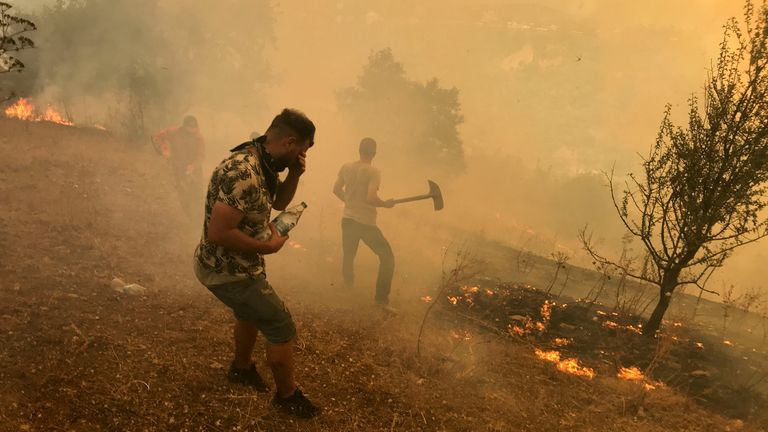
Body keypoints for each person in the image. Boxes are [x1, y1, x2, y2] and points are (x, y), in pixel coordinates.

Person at [193, 108, 320, 418]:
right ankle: (287, 397)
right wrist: (267, 247)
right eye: (301, 151)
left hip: (240, 266)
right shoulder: (243, 171)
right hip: (226, 270)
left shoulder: (265, 163)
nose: (302, 157)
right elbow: (219, 232)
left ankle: (241, 369)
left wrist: (295, 174)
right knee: (280, 325)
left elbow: (278, 203)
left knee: (248, 313)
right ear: (290, 143)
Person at [333, 137, 396, 310]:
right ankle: (381, 300)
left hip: (348, 219)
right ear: (374, 153)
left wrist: (350, 202)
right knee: (387, 257)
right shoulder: (373, 171)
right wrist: (385, 204)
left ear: (359, 150)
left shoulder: (346, 167)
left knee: (349, 254)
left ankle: (347, 287)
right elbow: (370, 197)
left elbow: (336, 189)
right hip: (365, 223)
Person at [152, 115, 206, 218]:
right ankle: (191, 218)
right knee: (183, 194)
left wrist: (193, 166)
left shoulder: (199, 138)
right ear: (184, 127)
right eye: (189, 129)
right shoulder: (174, 132)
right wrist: (163, 148)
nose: (192, 131)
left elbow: (201, 156)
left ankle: (202, 218)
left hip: (195, 169)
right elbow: (157, 137)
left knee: (198, 194)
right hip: (178, 168)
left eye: (194, 129)